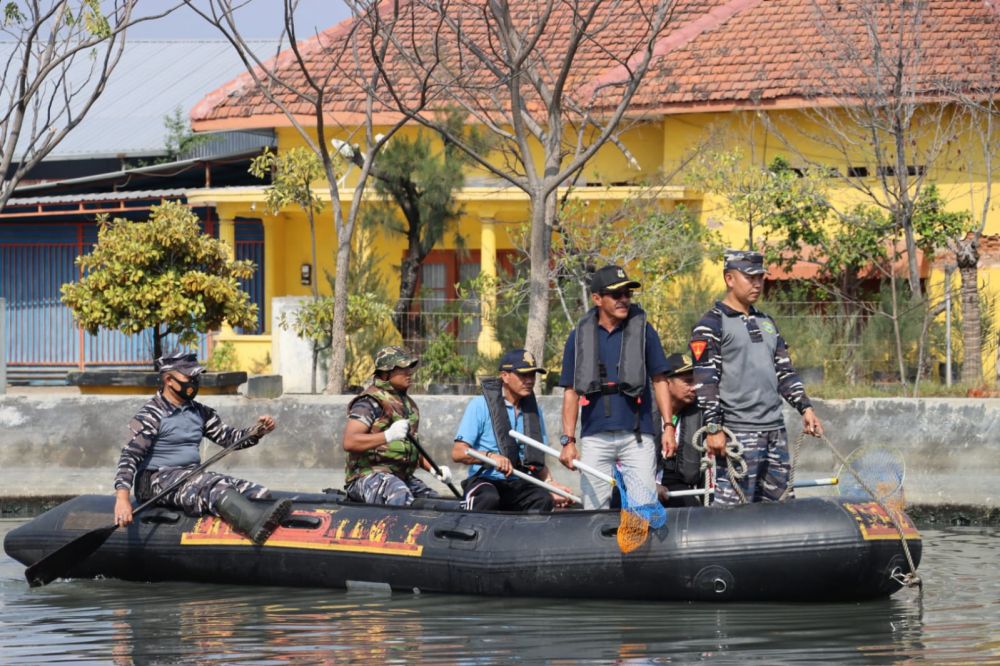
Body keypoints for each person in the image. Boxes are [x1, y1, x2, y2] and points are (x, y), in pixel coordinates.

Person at [113, 352, 290, 545]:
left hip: (190, 476)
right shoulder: (150, 415)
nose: (194, 382)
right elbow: (129, 457)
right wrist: (122, 499)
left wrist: (257, 431)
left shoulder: (200, 412)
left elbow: (229, 438)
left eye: (196, 376)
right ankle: (256, 527)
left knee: (257, 492)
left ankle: (275, 530)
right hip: (156, 480)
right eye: (189, 377)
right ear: (169, 380)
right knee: (212, 485)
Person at [690, 249, 824, 505]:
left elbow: (785, 371)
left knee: (781, 506)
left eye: (760, 277)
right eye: (750, 277)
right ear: (729, 279)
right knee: (734, 509)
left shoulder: (766, 322)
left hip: (774, 430)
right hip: (739, 433)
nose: (757, 284)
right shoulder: (711, 324)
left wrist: (805, 407)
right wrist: (714, 428)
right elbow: (706, 382)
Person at [558, 265, 675, 510]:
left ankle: (638, 536)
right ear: (597, 298)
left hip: (638, 437)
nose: (624, 299)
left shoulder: (644, 331)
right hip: (595, 437)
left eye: (627, 293)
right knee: (594, 511)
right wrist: (568, 441)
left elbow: (660, 380)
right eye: (616, 294)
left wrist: (668, 427)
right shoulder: (578, 336)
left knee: (643, 509)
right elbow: (570, 391)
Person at [451, 349, 573, 512]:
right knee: (489, 497)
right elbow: (458, 453)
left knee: (543, 498)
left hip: (518, 483)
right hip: (486, 481)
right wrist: (490, 456)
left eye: (532, 375)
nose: (530, 381)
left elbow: (535, 462)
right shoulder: (479, 405)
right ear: (505, 376)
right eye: (523, 375)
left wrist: (551, 485)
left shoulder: (534, 412)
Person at [342, 345, 451, 506]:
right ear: (386, 373)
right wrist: (388, 435)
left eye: (410, 367)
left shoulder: (409, 406)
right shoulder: (369, 402)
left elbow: (412, 447)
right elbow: (350, 441)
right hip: (367, 475)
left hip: (400, 477)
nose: (409, 372)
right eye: (403, 368)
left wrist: (434, 469)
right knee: (398, 494)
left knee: (434, 503)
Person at [656, 353, 705, 508]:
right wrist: (648, 484)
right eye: (688, 381)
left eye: (696, 381)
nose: (694, 387)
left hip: (678, 483)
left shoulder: (701, 413)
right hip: (645, 482)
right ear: (667, 383)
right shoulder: (642, 413)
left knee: (694, 512)